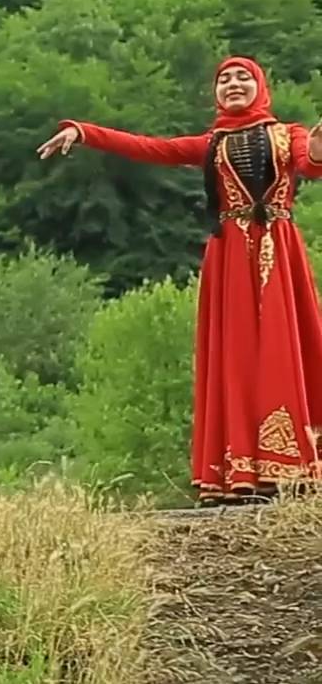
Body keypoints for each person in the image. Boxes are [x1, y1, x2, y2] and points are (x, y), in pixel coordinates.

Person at [39, 57, 322, 502]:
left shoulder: (289, 134)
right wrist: (84, 131)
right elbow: (148, 147)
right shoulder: (210, 143)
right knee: (237, 353)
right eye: (224, 79)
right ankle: (240, 472)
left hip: (276, 249)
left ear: (260, 86)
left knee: (281, 346)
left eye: (242, 77)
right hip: (228, 252)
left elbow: (310, 163)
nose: (233, 84)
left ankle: (290, 465)